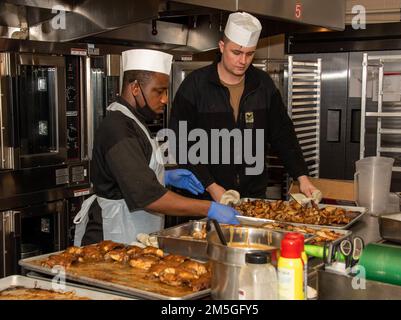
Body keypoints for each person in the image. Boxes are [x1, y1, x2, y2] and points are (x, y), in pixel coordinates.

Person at [73, 49, 239, 246]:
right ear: (135, 88)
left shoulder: (135, 121)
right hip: (110, 239)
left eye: (166, 91)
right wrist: (209, 208)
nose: (165, 99)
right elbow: (148, 196)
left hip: (132, 234)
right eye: (159, 91)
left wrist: (164, 176)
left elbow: (130, 174)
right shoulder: (118, 128)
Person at [169, 12, 320, 202]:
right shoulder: (195, 85)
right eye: (237, 52)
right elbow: (181, 142)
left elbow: (283, 133)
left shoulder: (262, 84)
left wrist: (302, 177)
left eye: (250, 54)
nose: (243, 61)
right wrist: (211, 186)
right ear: (222, 47)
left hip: (252, 197)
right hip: (204, 197)